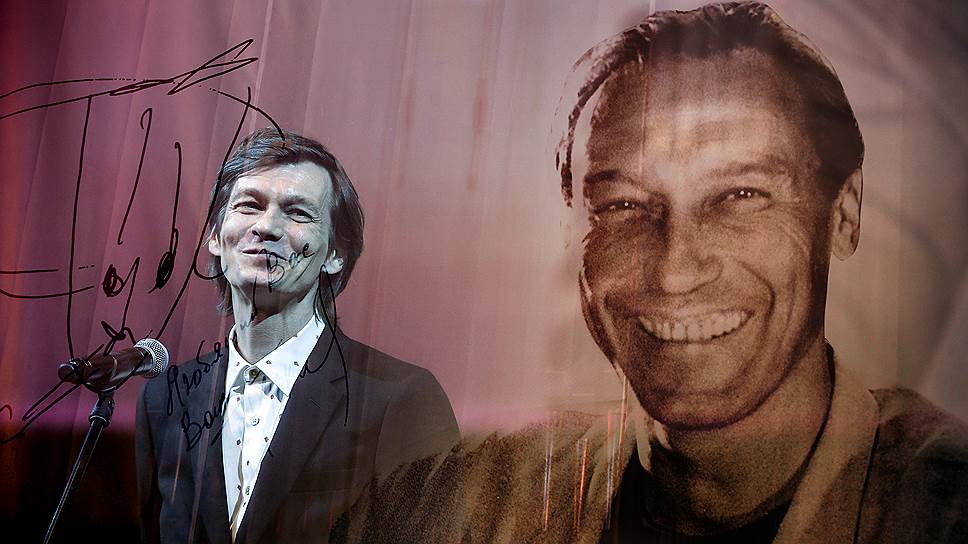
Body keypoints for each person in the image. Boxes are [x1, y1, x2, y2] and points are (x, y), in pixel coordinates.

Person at [334, 3, 968, 543]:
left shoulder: (943, 510)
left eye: (740, 195)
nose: (673, 272)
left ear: (844, 216)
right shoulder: (450, 510)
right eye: (623, 205)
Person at [135, 128, 459, 543]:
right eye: (249, 205)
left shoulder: (400, 398)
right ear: (215, 236)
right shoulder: (164, 399)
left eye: (298, 213)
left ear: (335, 254)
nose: (267, 226)